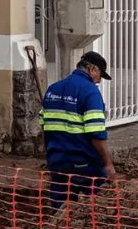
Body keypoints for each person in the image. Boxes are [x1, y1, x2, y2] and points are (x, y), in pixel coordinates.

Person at [40, 51, 117, 210]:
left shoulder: (53, 89)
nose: (99, 81)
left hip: (56, 160)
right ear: (92, 70)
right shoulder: (90, 92)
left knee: (60, 204)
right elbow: (96, 134)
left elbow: (43, 123)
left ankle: (56, 228)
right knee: (94, 205)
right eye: (100, 75)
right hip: (84, 162)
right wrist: (108, 163)